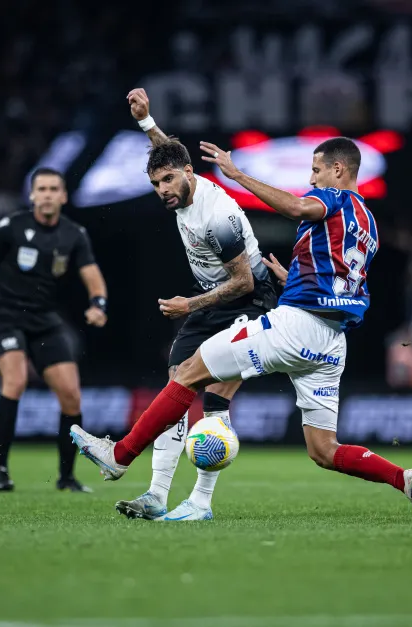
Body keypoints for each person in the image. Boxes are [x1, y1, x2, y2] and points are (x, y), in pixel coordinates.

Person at [72, 136, 412, 523]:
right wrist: (295, 280)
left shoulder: (336, 198)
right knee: (324, 449)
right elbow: (343, 280)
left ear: (338, 170)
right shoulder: (367, 222)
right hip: (331, 343)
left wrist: (237, 174)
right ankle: (405, 479)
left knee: (188, 372)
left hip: (295, 327)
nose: (312, 179)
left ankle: (119, 457)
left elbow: (298, 206)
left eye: (316, 170)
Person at [112, 88, 278, 522]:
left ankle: (201, 502)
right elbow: (169, 157)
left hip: (251, 299)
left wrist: (190, 305)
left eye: (167, 181)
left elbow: (242, 282)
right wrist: (147, 123)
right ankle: (156, 494)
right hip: (210, 301)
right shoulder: (181, 183)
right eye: (155, 184)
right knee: (176, 387)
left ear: (190, 174)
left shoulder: (216, 214)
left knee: (215, 399)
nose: (162, 190)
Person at [0, 167, 109, 492]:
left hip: (43, 319)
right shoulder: (11, 227)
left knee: (71, 395)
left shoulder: (74, 234)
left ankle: (67, 477)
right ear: (32, 195)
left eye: (54, 188)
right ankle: (0, 470)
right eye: (42, 189)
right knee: (15, 380)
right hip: (5, 316)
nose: (48, 194)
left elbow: (92, 275)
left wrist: (98, 304)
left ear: (64, 196)